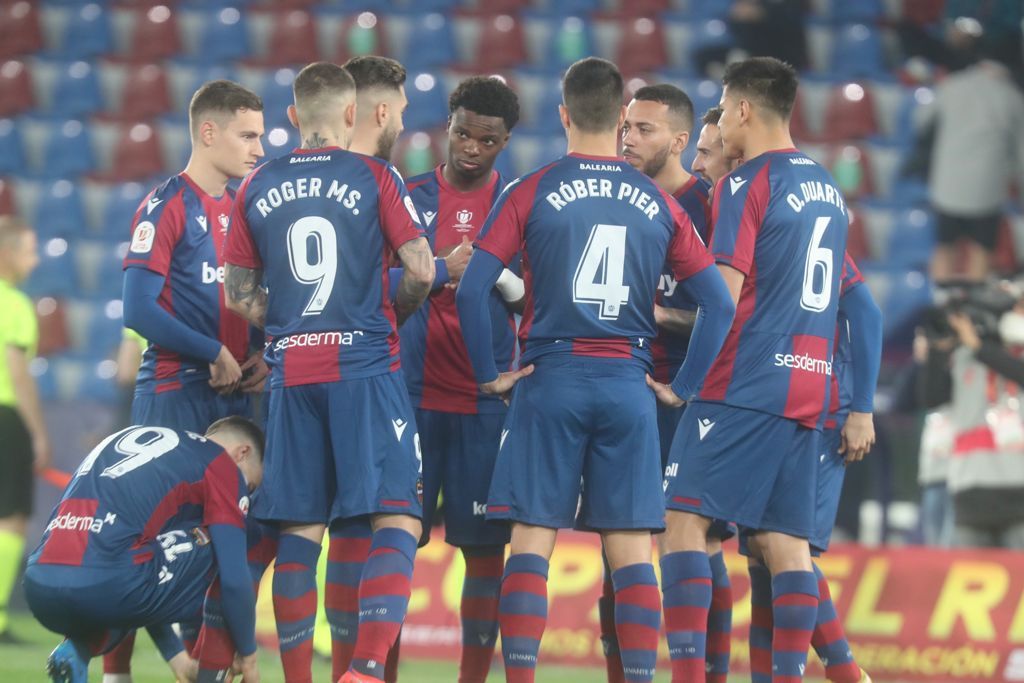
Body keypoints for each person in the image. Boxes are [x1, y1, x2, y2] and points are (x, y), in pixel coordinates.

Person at [456, 57, 735, 683]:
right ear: (619, 121)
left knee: (531, 544)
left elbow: (473, 291)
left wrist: (488, 375)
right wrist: (682, 386)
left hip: (548, 379)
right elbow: (720, 304)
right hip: (628, 386)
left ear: (563, 115)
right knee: (633, 552)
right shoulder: (660, 203)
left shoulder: (527, 189)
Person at [223, 62, 434, 683]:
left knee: (301, 525)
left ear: (291, 117)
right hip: (364, 366)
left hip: (293, 374)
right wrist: (386, 313)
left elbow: (238, 294)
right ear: (352, 115)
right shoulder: (375, 175)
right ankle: (366, 670)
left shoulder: (256, 183)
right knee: (398, 514)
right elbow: (421, 268)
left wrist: (285, 323)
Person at [659, 56, 849, 683]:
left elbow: (724, 296)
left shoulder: (747, 184)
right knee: (784, 543)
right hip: (809, 386)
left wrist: (686, 386)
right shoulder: (828, 187)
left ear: (741, 109)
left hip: (743, 382)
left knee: (683, 522)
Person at [113, 78, 268, 680]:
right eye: (247, 135)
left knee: (220, 546)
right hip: (174, 394)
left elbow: (252, 301)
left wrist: (259, 353)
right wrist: (210, 349)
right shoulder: (166, 204)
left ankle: (206, 668)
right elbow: (138, 309)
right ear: (208, 132)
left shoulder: (243, 210)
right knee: (145, 538)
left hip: (230, 398)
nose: (259, 148)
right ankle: (115, 672)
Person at [389, 75, 521, 683]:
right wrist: (442, 272)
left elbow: (536, 301)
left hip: (483, 404)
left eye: (486, 139)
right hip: (409, 399)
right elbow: (379, 292)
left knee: (485, 555)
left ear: (505, 141)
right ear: (448, 125)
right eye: (462, 132)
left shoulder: (520, 205)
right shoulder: (407, 197)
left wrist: (503, 281)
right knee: (390, 547)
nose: (470, 147)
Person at [617, 84, 733, 683]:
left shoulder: (713, 208)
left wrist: (656, 317)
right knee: (623, 544)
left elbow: (733, 311)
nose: (628, 137)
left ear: (681, 141)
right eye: (627, 126)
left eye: (644, 129)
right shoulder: (615, 196)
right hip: (627, 394)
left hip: (694, 397)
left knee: (701, 542)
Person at [25, 416, 265, 683]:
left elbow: (143, 577)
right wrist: (248, 653)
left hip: (39, 585)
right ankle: (213, 674)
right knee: (223, 545)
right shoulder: (221, 464)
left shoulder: (141, 444)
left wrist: (177, 659)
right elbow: (234, 579)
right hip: (109, 582)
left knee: (138, 562)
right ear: (242, 453)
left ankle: (79, 650)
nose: (245, 494)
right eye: (250, 486)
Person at [746, 253, 881, 683]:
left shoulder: (811, 231)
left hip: (821, 410)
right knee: (759, 552)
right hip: (766, 407)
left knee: (783, 544)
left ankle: (843, 671)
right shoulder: (750, 231)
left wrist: (862, 410)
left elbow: (868, 316)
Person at [926, 48, 1024, 282]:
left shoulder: (951, 86)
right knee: (981, 250)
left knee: (943, 247)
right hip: (986, 190)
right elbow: (1021, 150)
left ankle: (942, 301)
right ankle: (973, 308)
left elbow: (923, 120)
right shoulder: (1011, 95)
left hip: (947, 186)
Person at [0, 215, 47, 643]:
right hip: (6, 416)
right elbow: (18, 373)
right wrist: (37, 433)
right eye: (30, 250)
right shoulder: (13, 304)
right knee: (11, 518)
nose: (34, 260)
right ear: (8, 253)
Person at [343, 56, 408, 160]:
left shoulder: (312, 169)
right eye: (401, 112)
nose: (401, 127)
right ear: (383, 113)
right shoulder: (385, 175)